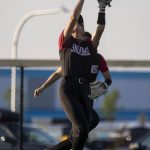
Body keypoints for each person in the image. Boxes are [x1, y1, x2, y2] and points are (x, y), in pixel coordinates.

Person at [34, 33, 112, 150]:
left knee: (84, 128)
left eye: (89, 41)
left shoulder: (98, 58)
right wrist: (43, 87)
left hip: (87, 96)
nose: (88, 45)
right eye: (85, 42)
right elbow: (57, 73)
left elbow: (108, 79)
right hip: (74, 95)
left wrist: (104, 84)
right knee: (83, 128)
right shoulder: (76, 57)